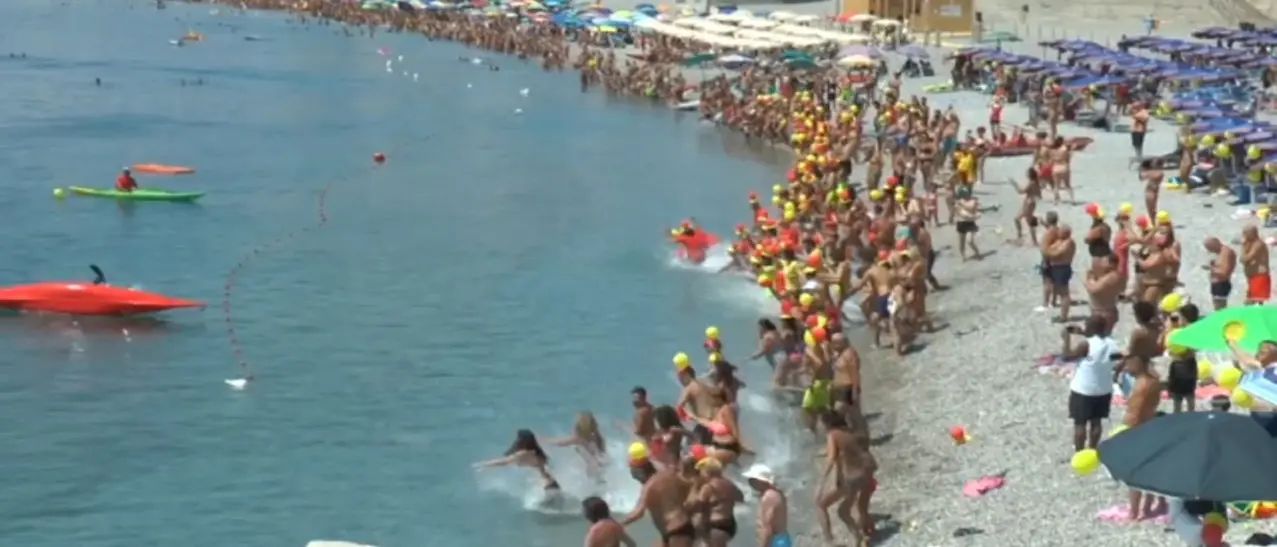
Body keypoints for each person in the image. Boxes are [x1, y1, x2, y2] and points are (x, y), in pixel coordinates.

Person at [1061, 315, 1118, 451]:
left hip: (1084, 389)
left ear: (1091, 327)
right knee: (1096, 422)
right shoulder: (1112, 344)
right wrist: (1084, 333)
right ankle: (1092, 449)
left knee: (1080, 423)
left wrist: (1066, 338)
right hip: (1103, 389)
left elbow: (1066, 356)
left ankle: (1079, 452)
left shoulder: (1086, 344)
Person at [621, 456, 696, 547]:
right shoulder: (670, 474)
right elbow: (689, 486)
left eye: (633, 472)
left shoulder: (649, 486)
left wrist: (620, 524)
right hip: (678, 526)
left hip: (676, 530)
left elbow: (638, 513)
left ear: (640, 472)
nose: (632, 475)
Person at [473, 429, 561, 503]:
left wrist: (484, 464)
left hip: (547, 487)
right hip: (551, 485)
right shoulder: (537, 452)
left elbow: (504, 462)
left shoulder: (524, 454)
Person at [693, 457, 744, 547]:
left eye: (701, 471)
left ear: (707, 471)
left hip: (715, 525)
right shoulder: (729, 484)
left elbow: (697, 506)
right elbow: (741, 498)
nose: (700, 474)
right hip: (730, 524)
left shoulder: (708, 487)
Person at [743, 463, 792, 547]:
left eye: (753, 480)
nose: (750, 482)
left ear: (761, 481)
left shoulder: (768, 497)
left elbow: (767, 528)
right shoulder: (777, 494)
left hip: (774, 542)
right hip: (781, 539)